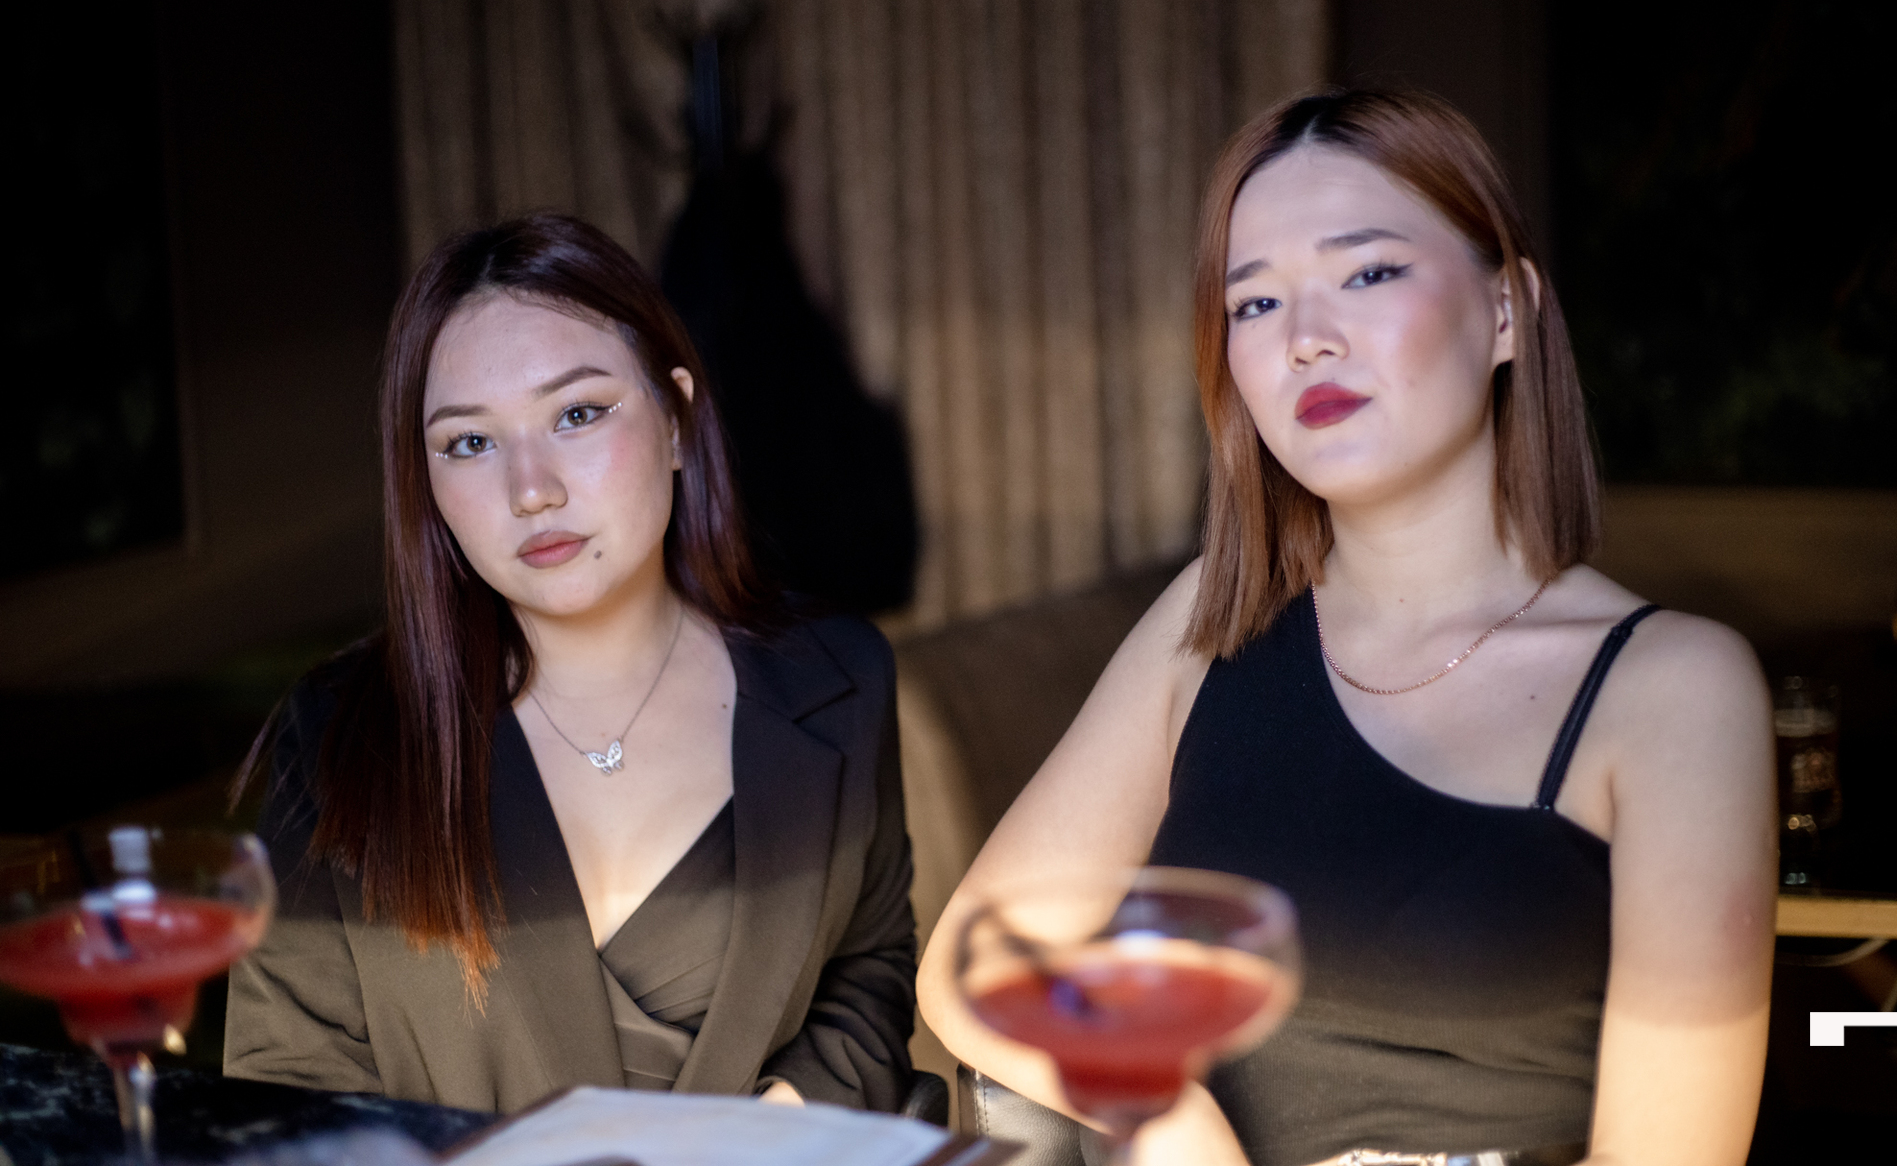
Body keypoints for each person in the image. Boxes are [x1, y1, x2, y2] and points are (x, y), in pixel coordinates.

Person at [919, 91, 1775, 1166]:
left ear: (1507, 309)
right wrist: (1176, 1120)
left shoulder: (1676, 687)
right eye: (1255, 303)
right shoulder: (1212, 624)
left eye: (1366, 274)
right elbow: (975, 968)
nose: (1306, 341)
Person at [225, 214, 917, 1115]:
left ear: (677, 419)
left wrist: (775, 1128)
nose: (531, 489)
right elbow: (287, 1093)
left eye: (578, 414)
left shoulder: (841, 680)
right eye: (470, 442)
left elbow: (868, 967)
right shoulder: (339, 736)